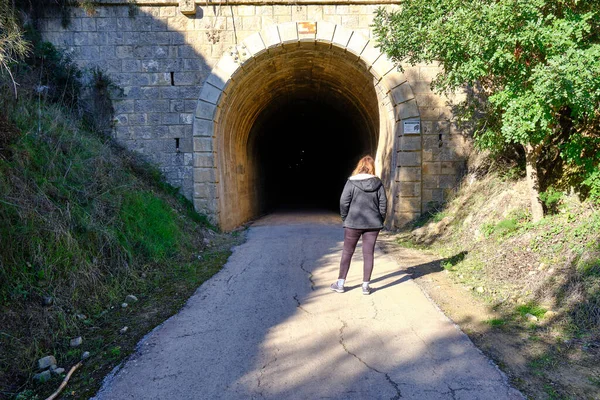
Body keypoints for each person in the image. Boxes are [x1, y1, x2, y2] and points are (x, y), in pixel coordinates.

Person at [331, 155, 387, 295]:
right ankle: (366, 286)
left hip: (353, 223)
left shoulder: (351, 182)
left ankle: (340, 283)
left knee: (347, 252)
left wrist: (345, 218)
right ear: (372, 168)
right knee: (368, 253)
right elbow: (383, 204)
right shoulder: (378, 183)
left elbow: (344, 202)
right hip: (373, 224)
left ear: (359, 166)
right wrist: (379, 219)